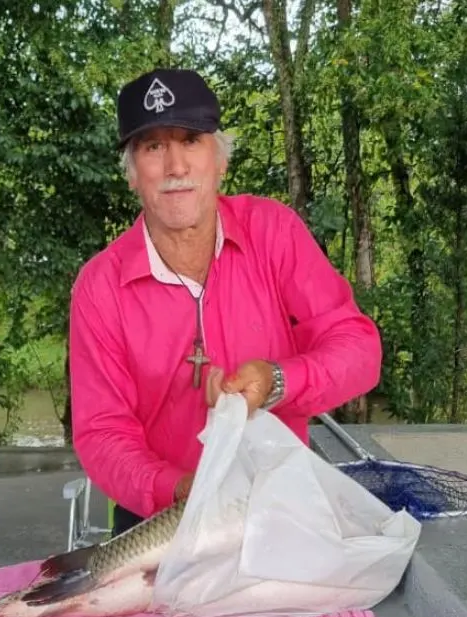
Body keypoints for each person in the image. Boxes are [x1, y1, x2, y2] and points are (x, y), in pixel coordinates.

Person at [68, 67, 382, 534]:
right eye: (154, 147)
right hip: (159, 519)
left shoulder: (273, 233)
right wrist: (181, 489)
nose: (176, 167)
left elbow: (358, 350)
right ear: (133, 174)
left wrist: (277, 380)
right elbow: (102, 432)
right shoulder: (100, 286)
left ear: (220, 159)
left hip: (281, 508)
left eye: (191, 140)